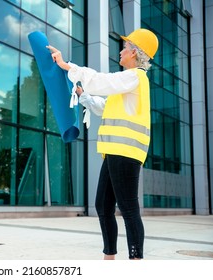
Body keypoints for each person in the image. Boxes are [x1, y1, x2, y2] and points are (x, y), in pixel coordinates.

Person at [46, 28, 159, 260]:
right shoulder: (127, 84)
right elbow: (105, 106)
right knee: (103, 205)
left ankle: (136, 261)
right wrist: (83, 95)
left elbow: (102, 80)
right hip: (114, 152)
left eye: (126, 47)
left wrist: (68, 66)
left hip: (125, 152)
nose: (121, 51)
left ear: (136, 53)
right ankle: (109, 258)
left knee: (128, 208)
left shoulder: (135, 76)